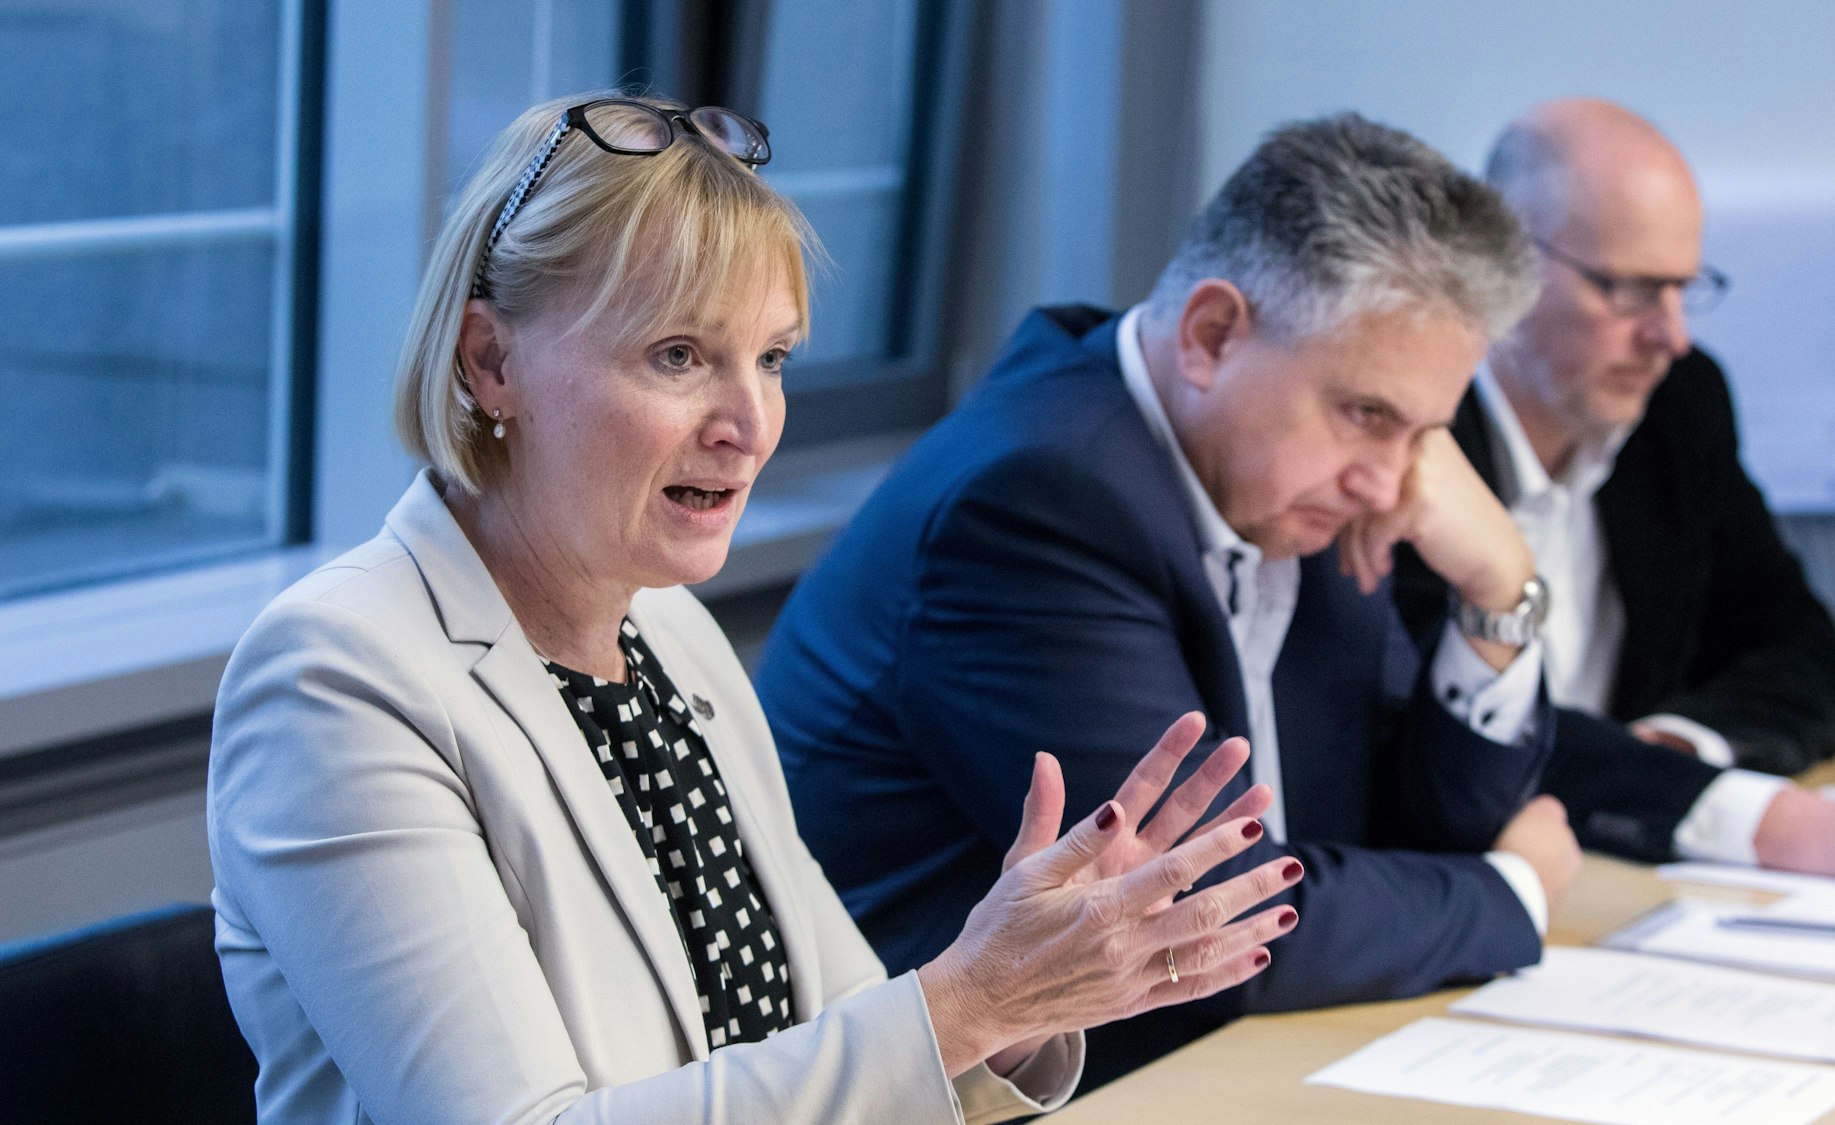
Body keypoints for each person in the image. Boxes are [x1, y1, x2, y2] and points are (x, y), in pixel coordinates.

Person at [205, 93, 1302, 1124]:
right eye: (677, 355)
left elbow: (839, 1047)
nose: (750, 423)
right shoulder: (336, 675)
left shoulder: (670, 634)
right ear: (491, 361)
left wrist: (1024, 1002)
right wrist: (967, 1000)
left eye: (770, 358)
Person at [757, 113, 1582, 1089]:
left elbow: (1424, 828)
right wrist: (1515, 891)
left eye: (1422, 434)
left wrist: (1498, 588)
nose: (1390, 480)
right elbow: (1205, 924)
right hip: (968, 1096)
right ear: (1210, 335)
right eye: (1367, 415)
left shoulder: (1288, 480)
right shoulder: (1034, 500)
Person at [1394, 97, 1835, 885]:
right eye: (1630, 289)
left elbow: (1808, 655)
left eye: (1683, 288)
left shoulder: (1678, 404)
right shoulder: (1407, 437)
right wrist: (1802, 829)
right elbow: (1437, 735)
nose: (1670, 335)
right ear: (1504, 265)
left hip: (1623, 878)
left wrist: (1678, 747)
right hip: (1467, 886)